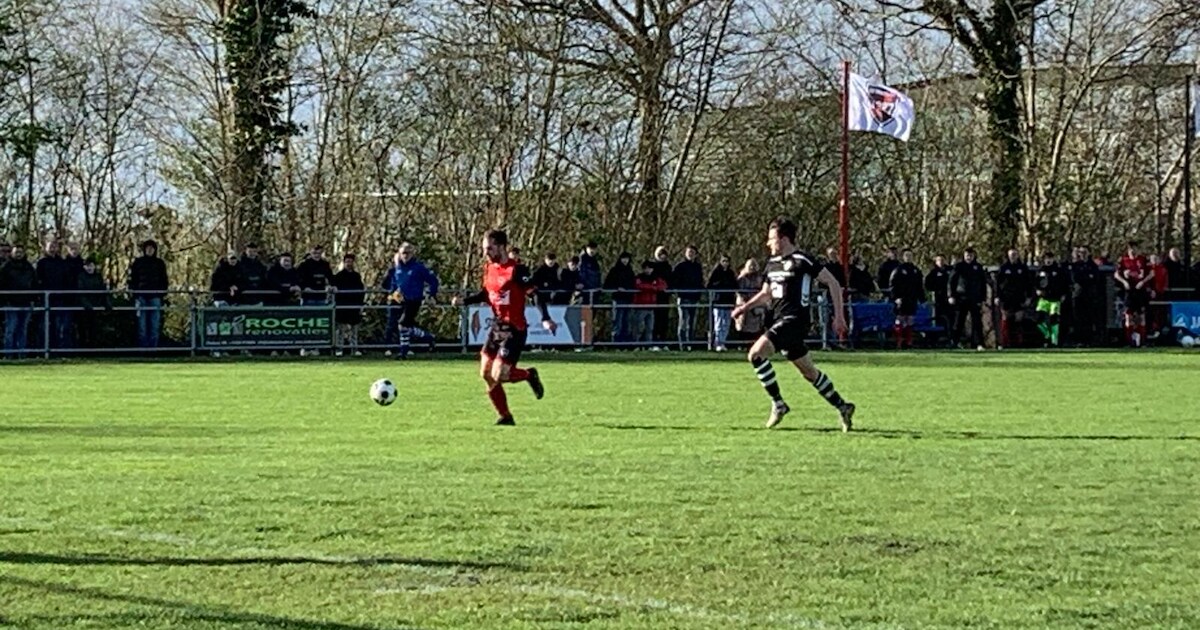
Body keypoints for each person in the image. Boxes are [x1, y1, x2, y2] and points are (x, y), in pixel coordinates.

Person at [731, 218, 855, 431]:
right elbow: (765, 294)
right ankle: (843, 406)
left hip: (794, 320)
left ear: (784, 239)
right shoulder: (771, 264)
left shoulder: (803, 260)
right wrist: (744, 308)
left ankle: (778, 404)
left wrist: (839, 316)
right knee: (809, 373)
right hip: (779, 320)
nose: (768, 244)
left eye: (771, 239)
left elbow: (833, 283)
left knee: (755, 354)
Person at [451, 229, 556, 426]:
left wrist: (545, 318)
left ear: (501, 246)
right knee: (485, 374)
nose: (486, 253)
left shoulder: (517, 270)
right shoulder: (489, 268)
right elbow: (486, 293)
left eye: (489, 248)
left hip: (515, 329)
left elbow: (534, 294)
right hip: (497, 326)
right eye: (484, 249)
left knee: (501, 374)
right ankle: (505, 416)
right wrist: (464, 301)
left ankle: (529, 375)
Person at [380, 243, 440, 358]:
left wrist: (431, 295)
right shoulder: (398, 268)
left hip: (414, 300)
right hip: (401, 301)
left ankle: (405, 350)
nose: (405, 255)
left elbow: (433, 281)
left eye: (408, 253)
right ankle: (426, 338)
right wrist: (394, 293)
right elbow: (393, 284)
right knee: (405, 327)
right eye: (403, 253)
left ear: (412, 254)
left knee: (402, 324)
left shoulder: (418, 268)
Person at [128, 239, 169, 348]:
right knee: (142, 325)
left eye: (152, 248)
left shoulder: (160, 263)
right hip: (141, 297)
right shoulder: (138, 263)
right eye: (148, 248)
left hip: (155, 297)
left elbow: (164, 280)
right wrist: (135, 294)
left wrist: (161, 293)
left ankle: (153, 349)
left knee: (154, 325)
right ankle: (143, 349)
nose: (150, 250)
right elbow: (133, 279)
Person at [0, 246, 38, 358]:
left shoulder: (29, 267)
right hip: (10, 303)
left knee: (23, 330)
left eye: (21, 252)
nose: (19, 254)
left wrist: (33, 299)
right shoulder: (5, 268)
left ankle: (22, 355)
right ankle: (8, 355)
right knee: (10, 330)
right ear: (12, 253)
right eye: (17, 252)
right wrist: (4, 300)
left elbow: (34, 284)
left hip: (26, 302)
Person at [948, 247, 987, 350]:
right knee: (959, 321)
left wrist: (983, 298)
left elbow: (983, 283)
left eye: (970, 255)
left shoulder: (978, 267)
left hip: (975, 298)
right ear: (964, 256)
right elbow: (951, 282)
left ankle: (979, 343)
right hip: (961, 298)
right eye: (967, 255)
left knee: (977, 322)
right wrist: (951, 295)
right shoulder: (958, 267)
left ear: (974, 256)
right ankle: (954, 342)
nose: (969, 257)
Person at [1115, 241, 1152, 347]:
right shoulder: (1123, 260)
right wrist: (1124, 282)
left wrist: (1143, 282)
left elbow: (1151, 273)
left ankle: (1142, 342)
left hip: (1140, 291)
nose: (1133, 250)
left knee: (1141, 316)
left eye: (1135, 248)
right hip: (1129, 291)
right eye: (1131, 248)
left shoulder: (1143, 260)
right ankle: (1129, 342)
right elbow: (1116, 274)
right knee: (1128, 316)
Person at [995, 249, 1032, 349]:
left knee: (1018, 319)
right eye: (1011, 255)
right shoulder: (1003, 268)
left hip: (1019, 298)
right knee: (1006, 319)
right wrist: (997, 296)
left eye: (1015, 254)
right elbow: (997, 284)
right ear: (1008, 255)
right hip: (1006, 298)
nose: (1013, 256)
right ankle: (1004, 343)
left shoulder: (1023, 268)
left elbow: (1028, 283)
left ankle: (1018, 343)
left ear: (1018, 255)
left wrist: (1029, 297)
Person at [889, 248, 924, 350]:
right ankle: (899, 341)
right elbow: (892, 285)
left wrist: (922, 299)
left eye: (910, 255)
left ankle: (908, 342)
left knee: (910, 320)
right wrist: (895, 297)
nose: (908, 257)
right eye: (906, 255)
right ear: (903, 257)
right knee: (900, 319)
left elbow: (919, 286)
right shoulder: (898, 270)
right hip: (901, 299)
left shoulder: (916, 270)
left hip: (912, 299)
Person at [331, 253, 365, 357]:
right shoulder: (338, 276)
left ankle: (354, 349)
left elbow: (361, 290)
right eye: (347, 262)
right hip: (342, 305)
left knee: (354, 330)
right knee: (341, 329)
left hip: (354, 305)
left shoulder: (356, 276)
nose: (349, 264)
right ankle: (339, 349)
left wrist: (360, 304)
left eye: (351, 261)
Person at [672, 245, 704, 349]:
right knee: (683, 322)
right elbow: (675, 280)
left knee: (692, 323)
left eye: (693, 252)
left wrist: (700, 292)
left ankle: (691, 344)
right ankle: (682, 345)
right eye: (689, 252)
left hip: (694, 297)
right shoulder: (680, 266)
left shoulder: (698, 267)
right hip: (683, 297)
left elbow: (700, 281)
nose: (691, 254)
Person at [76, 256, 112, 349]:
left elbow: (103, 291)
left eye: (91, 265)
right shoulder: (81, 277)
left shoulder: (98, 277)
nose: (89, 268)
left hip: (96, 307)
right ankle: (83, 348)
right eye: (87, 266)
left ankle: (93, 348)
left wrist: (106, 303)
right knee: (83, 329)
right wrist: (87, 305)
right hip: (84, 309)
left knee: (94, 329)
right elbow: (81, 293)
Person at [1034, 251, 1069, 347]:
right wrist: (1037, 290)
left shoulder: (1058, 270)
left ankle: (1054, 341)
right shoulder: (1040, 270)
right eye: (1046, 258)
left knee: (1054, 320)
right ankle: (1047, 335)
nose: (1048, 260)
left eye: (1050, 258)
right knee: (1038, 319)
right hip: (1043, 299)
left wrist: (1063, 294)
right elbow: (1035, 282)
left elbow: (1065, 283)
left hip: (1055, 299)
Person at [706, 255, 738, 351]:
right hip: (718, 301)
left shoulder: (731, 273)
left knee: (726, 323)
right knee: (718, 323)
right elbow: (709, 285)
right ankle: (717, 343)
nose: (725, 263)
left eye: (727, 261)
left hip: (728, 301)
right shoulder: (716, 272)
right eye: (723, 261)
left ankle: (722, 342)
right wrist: (721, 285)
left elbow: (735, 285)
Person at [603, 253, 636, 343]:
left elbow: (633, 284)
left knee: (627, 322)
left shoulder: (630, 271)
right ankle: (615, 342)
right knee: (618, 321)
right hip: (618, 299)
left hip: (628, 299)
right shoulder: (615, 270)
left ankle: (625, 343)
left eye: (627, 259)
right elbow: (607, 285)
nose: (625, 260)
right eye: (623, 258)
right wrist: (617, 288)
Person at [632, 260, 666, 347]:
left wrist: (652, 288)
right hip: (641, 306)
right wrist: (653, 288)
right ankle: (635, 344)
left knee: (650, 328)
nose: (648, 270)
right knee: (638, 327)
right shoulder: (639, 278)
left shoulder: (655, 278)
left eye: (649, 268)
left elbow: (663, 286)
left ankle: (648, 345)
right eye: (646, 268)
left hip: (651, 306)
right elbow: (640, 286)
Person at [924, 255, 953, 345]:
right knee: (940, 318)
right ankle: (940, 338)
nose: (941, 262)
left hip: (951, 299)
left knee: (951, 319)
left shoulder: (950, 270)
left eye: (942, 260)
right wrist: (936, 289)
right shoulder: (933, 272)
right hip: (939, 300)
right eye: (938, 260)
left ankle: (951, 337)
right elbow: (927, 284)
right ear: (935, 262)